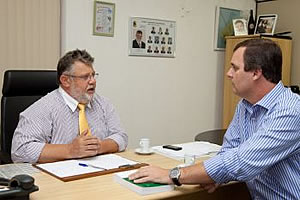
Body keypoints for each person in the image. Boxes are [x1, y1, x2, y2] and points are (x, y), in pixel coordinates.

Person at [129, 39, 300, 199]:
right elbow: (229, 150)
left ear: (256, 73)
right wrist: (216, 175)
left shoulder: (290, 111)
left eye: (235, 68)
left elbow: (241, 161)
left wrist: (173, 174)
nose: (228, 73)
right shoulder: (245, 104)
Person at [11, 49, 128, 163]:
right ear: (65, 80)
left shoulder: (103, 104)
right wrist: (70, 150)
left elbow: (121, 136)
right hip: (58, 178)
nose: (93, 81)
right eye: (85, 77)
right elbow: (20, 150)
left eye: (93, 75)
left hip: (97, 173)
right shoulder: (43, 108)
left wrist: (98, 147)